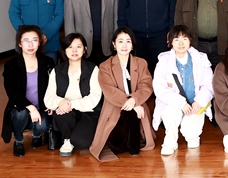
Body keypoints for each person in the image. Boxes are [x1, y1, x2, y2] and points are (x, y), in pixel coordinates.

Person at [90, 27, 155, 161]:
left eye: (128, 41)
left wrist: (134, 100)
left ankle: (134, 147)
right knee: (116, 144)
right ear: (114, 44)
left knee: (132, 116)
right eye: (120, 41)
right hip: (114, 106)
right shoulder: (105, 66)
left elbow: (146, 85)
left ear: (132, 45)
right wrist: (130, 102)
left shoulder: (141, 63)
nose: (124, 45)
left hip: (137, 104)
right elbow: (109, 91)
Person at [152, 25, 214, 156]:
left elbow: (209, 85)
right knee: (170, 113)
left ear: (190, 40)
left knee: (192, 137)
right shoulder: (163, 60)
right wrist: (181, 103)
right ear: (170, 42)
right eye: (176, 40)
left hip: (195, 104)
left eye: (184, 39)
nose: (181, 43)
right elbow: (159, 87)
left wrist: (199, 101)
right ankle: (170, 141)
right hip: (174, 104)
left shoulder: (201, 59)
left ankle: (193, 136)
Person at [44, 33, 102, 157]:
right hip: (67, 114)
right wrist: (60, 102)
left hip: (88, 112)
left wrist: (69, 104)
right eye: (70, 47)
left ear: (85, 49)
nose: (74, 50)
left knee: (80, 142)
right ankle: (66, 139)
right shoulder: (57, 70)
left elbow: (94, 98)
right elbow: (48, 97)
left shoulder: (93, 69)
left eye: (78, 47)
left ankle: (75, 136)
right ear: (65, 50)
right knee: (61, 113)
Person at [2, 25, 55, 157]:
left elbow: (54, 87)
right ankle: (18, 140)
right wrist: (31, 108)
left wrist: (51, 104)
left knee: (43, 125)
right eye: (26, 41)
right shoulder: (11, 65)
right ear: (20, 44)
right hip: (20, 107)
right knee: (21, 114)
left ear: (40, 42)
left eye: (34, 40)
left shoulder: (48, 62)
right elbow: (13, 92)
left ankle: (36, 135)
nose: (30, 44)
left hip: (41, 107)